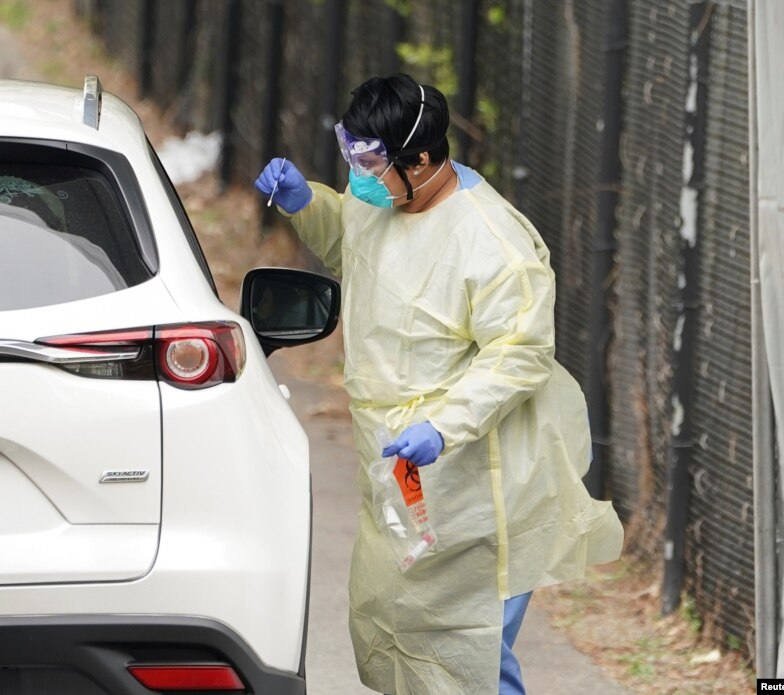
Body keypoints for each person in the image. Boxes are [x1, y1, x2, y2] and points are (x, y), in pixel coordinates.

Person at [254, 73, 624, 695]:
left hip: (474, 478)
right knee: (403, 631)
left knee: (468, 647)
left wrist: (444, 426)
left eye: (370, 159)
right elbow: (359, 251)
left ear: (421, 159)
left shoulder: (492, 242)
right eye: (350, 150)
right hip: (399, 467)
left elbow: (520, 353)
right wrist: (307, 204)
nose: (358, 172)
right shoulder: (384, 199)